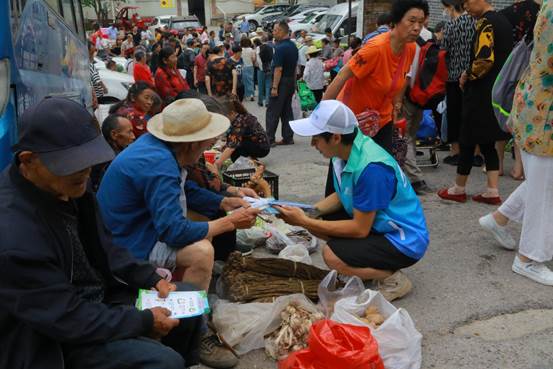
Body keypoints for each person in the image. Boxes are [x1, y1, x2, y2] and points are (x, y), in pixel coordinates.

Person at [0, 97, 204, 369]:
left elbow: (107, 245)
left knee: (187, 299)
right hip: (52, 338)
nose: (85, 172)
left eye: (89, 162)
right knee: (163, 362)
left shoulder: (71, 187)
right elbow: (64, 317)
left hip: (100, 300)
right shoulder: (13, 235)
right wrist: (142, 322)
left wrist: (150, 277)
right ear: (29, 160)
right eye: (73, 165)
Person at [97, 99, 259, 368]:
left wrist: (222, 202)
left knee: (203, 229)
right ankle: (190, 329)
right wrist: (231, 221)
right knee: (201, 252)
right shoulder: (158, 162)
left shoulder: (160, 150)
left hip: (139, 231)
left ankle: (189, 315)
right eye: (208, 141)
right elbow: (172, 231)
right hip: (127, 246)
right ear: (192, 143)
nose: (210, 145)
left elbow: (184, 191)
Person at [277, 100, 429, 301]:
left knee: (331, 255)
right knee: (319, 224)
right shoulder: (343, 153)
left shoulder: (371, 168)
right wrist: (309, 212)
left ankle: (392, 278)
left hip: (404, 240)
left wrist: (304, 221)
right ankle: (365, 264)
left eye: (316, 138)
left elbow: (360, 229)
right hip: (379, 227)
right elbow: (343, 194)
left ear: (336, 137)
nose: (313, 144)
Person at [479, 0, 553, 285]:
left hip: (537, 107)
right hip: (543, 114)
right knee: (545, 190)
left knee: (543, 181)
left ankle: (499, 218)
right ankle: (529, 258)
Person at [323, 0, 427, 154]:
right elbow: (342, 75)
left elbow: (402, 77)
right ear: (397, 20)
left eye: (421, 22)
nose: (417, 27)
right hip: (353, 122)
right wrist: (322, 115)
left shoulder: (410, 48)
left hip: (381, 121)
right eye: (411, 21)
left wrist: (396, 104)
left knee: (380, 168)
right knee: (346, 173)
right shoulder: (375, 49)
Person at [437, 0, 513, 205]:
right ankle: (492, 190)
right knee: (488, 140)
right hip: (497, 89)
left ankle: (458, 188)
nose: (466, 7)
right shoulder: (504, 21)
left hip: (480, 89)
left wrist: (467, 75)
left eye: (467, 2)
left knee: (467, 138)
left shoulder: (485, 23)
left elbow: (484, 60)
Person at [399, 14, 434, 195]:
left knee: (405, 138)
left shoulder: (409, 40)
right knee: (410, 136)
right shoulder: (429, 35)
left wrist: (398, 98)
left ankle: (415, 179)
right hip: (423, 94)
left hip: (408, 94)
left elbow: (408, 73)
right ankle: (411, 175)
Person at [440, 0, 476, 166]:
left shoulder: (450, 26)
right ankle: (476, 152)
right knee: (471, 115)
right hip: (473, 75)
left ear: (450, 7)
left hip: (453, 77)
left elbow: (444, 50)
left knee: (455, 115)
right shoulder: (475, 22)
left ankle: (456, 152)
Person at [265, 20, 299, 146]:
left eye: (274, 30)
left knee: (273, 110)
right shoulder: (293, 46)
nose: (273, 33)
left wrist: (274, 87)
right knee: (286, 111)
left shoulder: (279, 48)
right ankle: (288, 137)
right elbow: (295, 67)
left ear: (280, 31)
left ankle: (269, 138)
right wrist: (294, 84)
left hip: (281, 81)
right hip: (290, 80)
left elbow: (278, 69)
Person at [215, 96, 271, 166]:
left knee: (234, 152)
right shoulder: (240, 116)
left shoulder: (239, 122)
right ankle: (251, 159)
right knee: (232, 145)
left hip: (261, 148)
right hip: (259, 143)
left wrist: (217, 164)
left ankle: (251, 162)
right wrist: (226, 145)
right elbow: (234, 137)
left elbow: (231, 147)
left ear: (232, 113)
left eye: (224, 116)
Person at [91, 114, 136, 191]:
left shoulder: (103, 150)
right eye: (129, 132)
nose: (133, 136)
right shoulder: (112, 161)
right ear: (114, 135)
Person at [88, 41, 107, 106]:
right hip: (97, 96)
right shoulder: (90, 65)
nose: (93, 54)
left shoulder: (86, 64)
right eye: (92, 52)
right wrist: (104, 88)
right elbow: (97, 80)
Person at [257, 35, 274, 107]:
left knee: (260, 85)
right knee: (268, 85)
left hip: (261, 69)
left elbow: (258, 59)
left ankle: (260, 101)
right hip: (269, 68)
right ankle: (267, 101)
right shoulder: (272, 48)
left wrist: (261, 67)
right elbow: (273, 59)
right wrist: (270, 67)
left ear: (261, 40)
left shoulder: (258, 48)